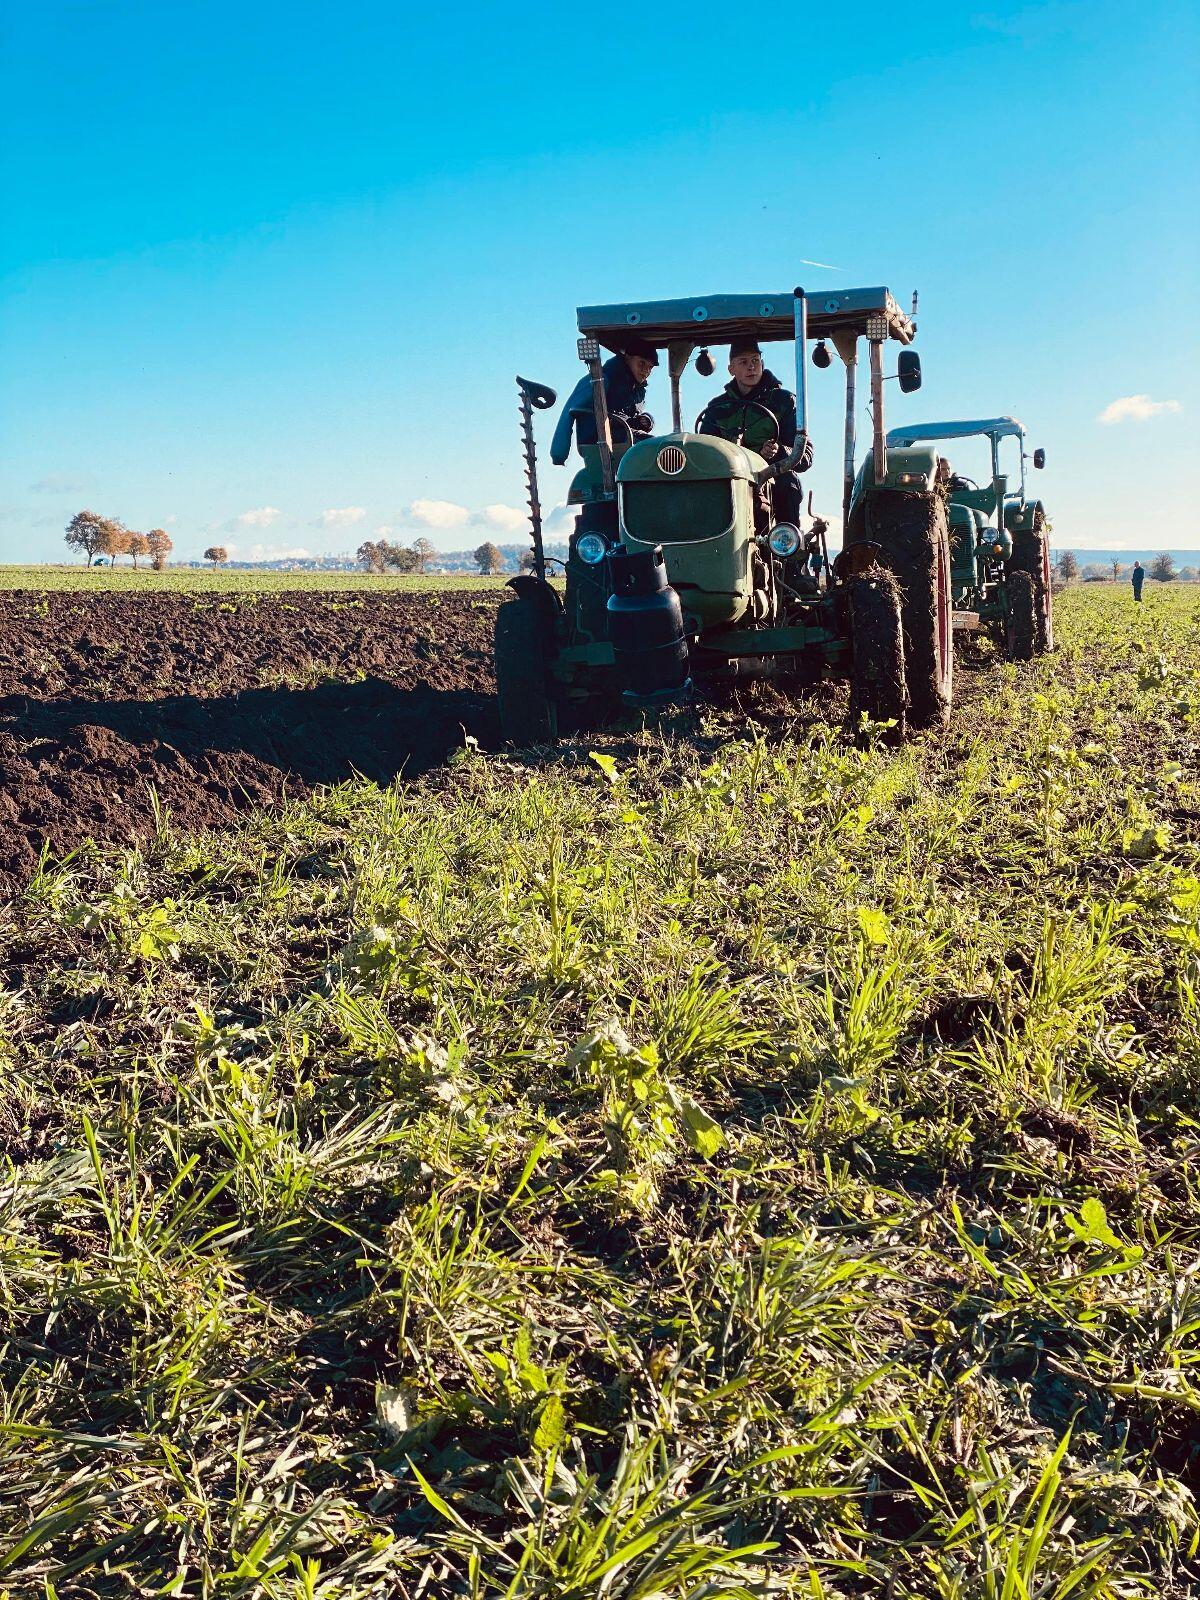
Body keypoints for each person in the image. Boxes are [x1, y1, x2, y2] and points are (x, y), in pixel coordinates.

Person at [697, 336, 812, 521]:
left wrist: (779, 452)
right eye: (743, 362)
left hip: (772, 481)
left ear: (762, 363)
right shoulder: (717, 408)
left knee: (787, 484)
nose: (751, 367)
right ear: (731, 369)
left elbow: (805, 455)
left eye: (755, 360)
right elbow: (703, 452)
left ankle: (785, 537)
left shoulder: (784, 401)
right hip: (730, 480)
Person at [550, 338, 658, 466]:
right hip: (600, 442)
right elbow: (568, 412)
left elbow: (628, 417)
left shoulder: (636, 390)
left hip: (624, 437)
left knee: (663, 447)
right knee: (656, 448)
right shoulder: (599, 381)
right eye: (642, 363)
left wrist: (645, 420)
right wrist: (559, 454)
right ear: (628, 358)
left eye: (650, 367)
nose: (646, 371)